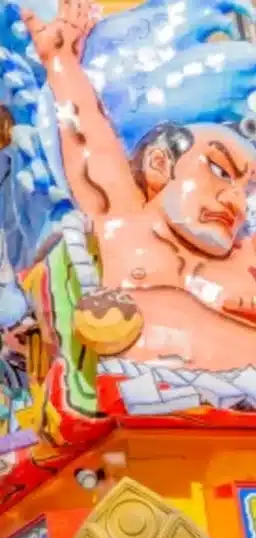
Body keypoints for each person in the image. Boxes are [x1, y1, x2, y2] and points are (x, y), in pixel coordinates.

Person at [23, 0, 256, 370]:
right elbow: (89, 139)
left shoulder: (245, 258)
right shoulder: (125, 223)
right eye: (221, 171)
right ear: (160, 164)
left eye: (246, 191)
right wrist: (60, 60)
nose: (236, 202)